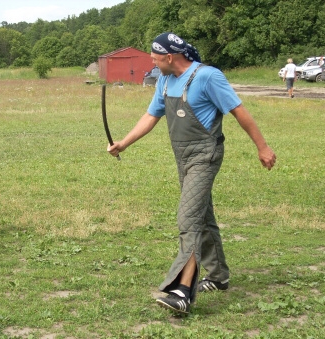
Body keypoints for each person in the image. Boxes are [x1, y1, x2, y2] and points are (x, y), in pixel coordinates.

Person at [107, 32, 276, 314]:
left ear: (171, 57)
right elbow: (152, 116)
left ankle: (183, 291)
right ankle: (219, 276)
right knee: (202, 216)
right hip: (182, 157)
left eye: (156, 57)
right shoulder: (164, 79)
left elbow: (239, 111)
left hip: (205, 155)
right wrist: (124, 142)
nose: (152, 60)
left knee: (188, 218)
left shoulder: (208, 77)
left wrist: (263, 147)